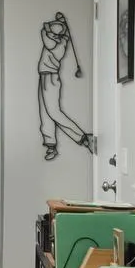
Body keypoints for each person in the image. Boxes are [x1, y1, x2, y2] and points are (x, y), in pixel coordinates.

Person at [36, 11, 97, 160]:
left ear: (55, 35)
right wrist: (62, 23)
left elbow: (44, 34)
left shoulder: (56, 45)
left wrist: (50, 28)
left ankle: (83, 138)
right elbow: (48, 33)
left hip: (50, 79)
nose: (49, 33)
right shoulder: (60, 39)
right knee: (45, 115)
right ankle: (51, 145)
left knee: (54, 113)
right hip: (44, 77)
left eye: (51, 33)